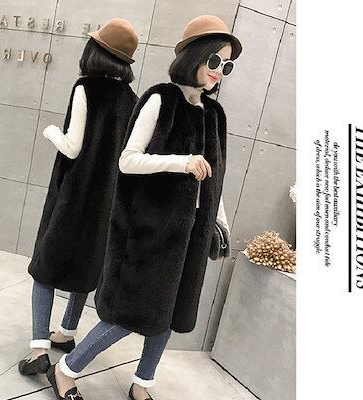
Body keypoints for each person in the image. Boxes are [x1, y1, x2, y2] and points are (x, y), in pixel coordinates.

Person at [45, 15, 242, 400]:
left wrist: (219, 222)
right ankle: (65, 370)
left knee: (169, 316)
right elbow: (127, 160)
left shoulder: (215, 114)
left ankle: (142, 384)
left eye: (227, 65)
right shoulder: (159, 98)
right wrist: (180, 162)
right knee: (128, 315)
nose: (220, 71)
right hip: (148, 233)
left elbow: (215, 176)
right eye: (214, 60)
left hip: (190, 236)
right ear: (194, 55)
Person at [18, 18, 139, 383]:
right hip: (108, 202)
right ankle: (67, 332)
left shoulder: (85, 87)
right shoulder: (132, 100)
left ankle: (39, 348)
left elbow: (72, 146)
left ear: (96, 52)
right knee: (87, 266)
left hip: (74, 196)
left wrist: (51, 131)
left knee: (45, 267)